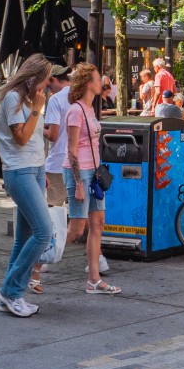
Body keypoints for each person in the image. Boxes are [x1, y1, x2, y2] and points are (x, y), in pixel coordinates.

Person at [0, 54, 52, 318]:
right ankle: (10, 291)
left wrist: (43, 168)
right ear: (33, 78)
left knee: (24, 237)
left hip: (35, 169)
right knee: (44, 233)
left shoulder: (31, 100)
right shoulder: (14, 99)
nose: (48, 84)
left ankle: (10, 295)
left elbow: (36, 140)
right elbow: (21, 138)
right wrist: (37, 110)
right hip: (19, 171)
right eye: (45, 79)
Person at [66, 63, 120, 296]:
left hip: (95, 173)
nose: (103, 83)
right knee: (76, 230)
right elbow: (71, 150)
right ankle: (35, 264)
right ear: (89, 83)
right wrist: (78, 183)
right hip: (80, 173)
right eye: (99, 79)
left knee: (98, 223)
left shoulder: (89, 109)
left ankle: (94, 280)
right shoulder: (76, 111)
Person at [33, 64, 72, 295]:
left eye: (49, 83)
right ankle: (97, 260)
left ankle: (41, 261)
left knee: (51, 212)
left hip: (58, 163)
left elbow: (54, 134)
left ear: (56, 80)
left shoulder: (56, 100)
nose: (47, 88)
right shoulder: (81, 97)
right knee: (84, 215)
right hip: (81, 163)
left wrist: (38, 128)